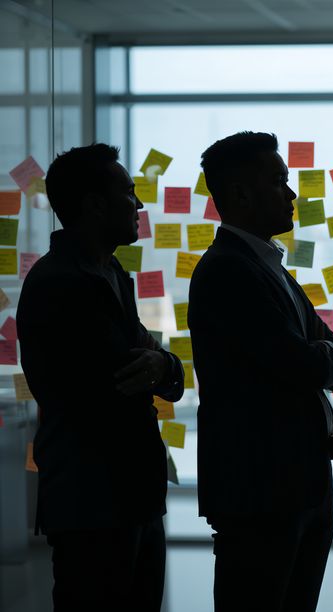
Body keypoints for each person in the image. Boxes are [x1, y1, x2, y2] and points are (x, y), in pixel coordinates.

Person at [18, 143, 185, 611]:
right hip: (93, 500)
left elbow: (155, 365)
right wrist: (159, 366)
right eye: (129, 193)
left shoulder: (109, 272)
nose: (140, 205)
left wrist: (163, 366)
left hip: (127, 495)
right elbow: (122, 376)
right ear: (95, 205)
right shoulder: (62, 283)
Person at [188, 131, 333, 612]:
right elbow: (304, 364)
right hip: (261, 489)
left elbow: (332, 355)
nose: (291, 194)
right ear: (240, 194)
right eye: (279, 182)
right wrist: (326, 357)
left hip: (295, 482)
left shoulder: (269, 267)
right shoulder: (229, 272)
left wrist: (325, 357)